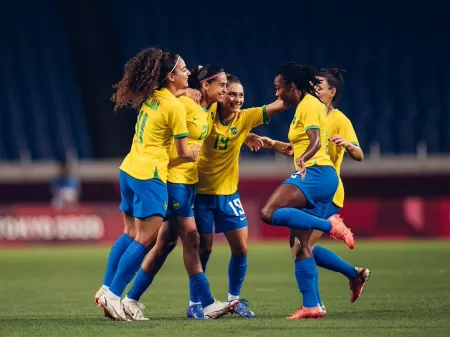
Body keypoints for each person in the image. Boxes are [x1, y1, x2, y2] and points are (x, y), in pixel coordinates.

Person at [246, 68, 371, 312]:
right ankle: (317, 302)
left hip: (322, 184)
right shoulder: (309, 108)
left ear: (332, 92)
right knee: (300, 246)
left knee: (300, 243)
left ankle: (336, 240)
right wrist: (273, 144)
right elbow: (298, 147)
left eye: (320, 86)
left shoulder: (335, 118)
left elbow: (357, 153)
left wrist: (347, 145)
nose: (315, 89)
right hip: (313, 179)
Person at [122, 65, 239, 320]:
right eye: (221, 84)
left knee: (165, 243)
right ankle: (206, 303)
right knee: (191, 236)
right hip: (173, 179)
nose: (225, 89)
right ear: (205, 86)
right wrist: (183, 91)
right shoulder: (185, 104)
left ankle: (130, 299)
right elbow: (165, 104)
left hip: (189, 181)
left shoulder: (207, 110)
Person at [96, 48, 200, 321]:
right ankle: (114, 296)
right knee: (147, 239)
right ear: (170, 76)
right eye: (183, 69)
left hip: (129, 169)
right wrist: (198, 151)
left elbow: (168, 103)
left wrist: (183, 93)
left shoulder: (153, 97)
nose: (188, 73)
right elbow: (182, 152)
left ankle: (105, 288)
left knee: (130, 232)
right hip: (150, 175)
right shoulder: (175, 108)